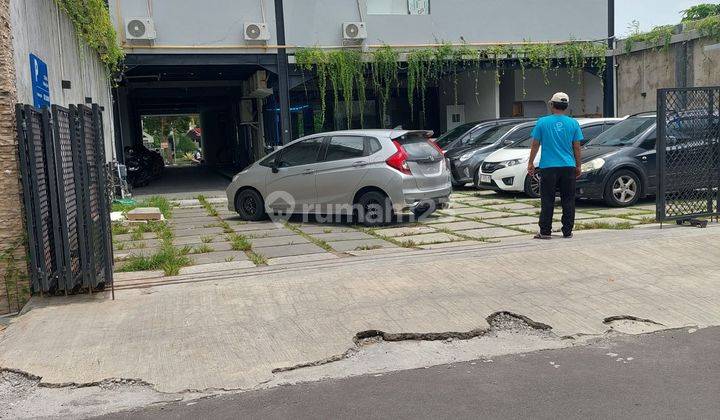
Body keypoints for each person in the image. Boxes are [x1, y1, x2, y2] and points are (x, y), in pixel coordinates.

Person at [527, 92, 583, 240]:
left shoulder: (542, 122)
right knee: (568, 200)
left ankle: (545, 231)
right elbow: (576, 147)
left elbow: (535, 144)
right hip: (568, 166)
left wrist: (530, 162)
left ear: (552, 105)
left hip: (548, 167)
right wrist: (578, 166)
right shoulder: (573, 123)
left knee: (547, 199)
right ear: (566, 106)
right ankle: (567, 231)